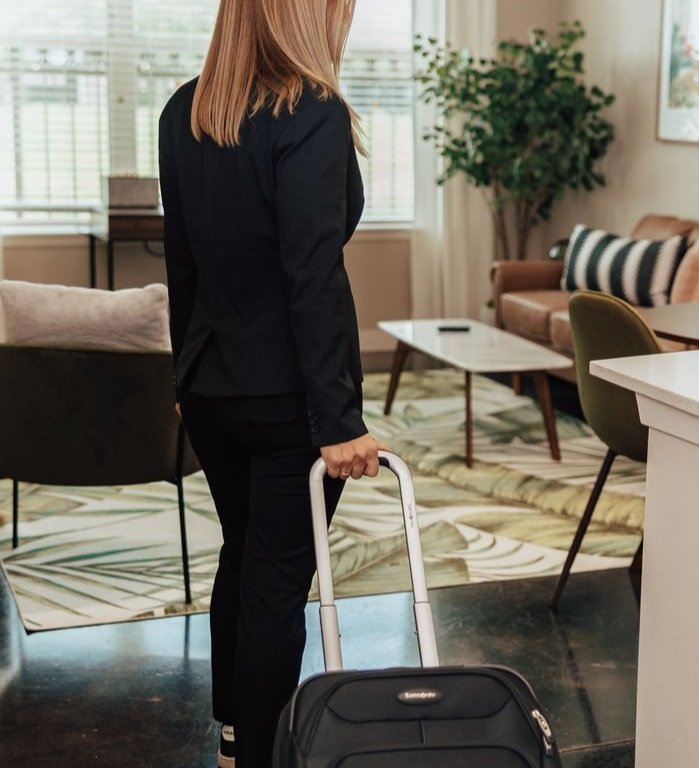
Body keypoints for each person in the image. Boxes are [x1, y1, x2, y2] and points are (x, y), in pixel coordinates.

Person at [158, 1, 382, 765]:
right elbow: (311, 274)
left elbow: (180, 263)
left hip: (212, 390)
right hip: (291, 401)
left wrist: (184, 373)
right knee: (278, 581)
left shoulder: (184, 109)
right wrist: (340, 419)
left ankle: (231, 736)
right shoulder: (312, 111)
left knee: (244, 552)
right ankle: (258, 754)